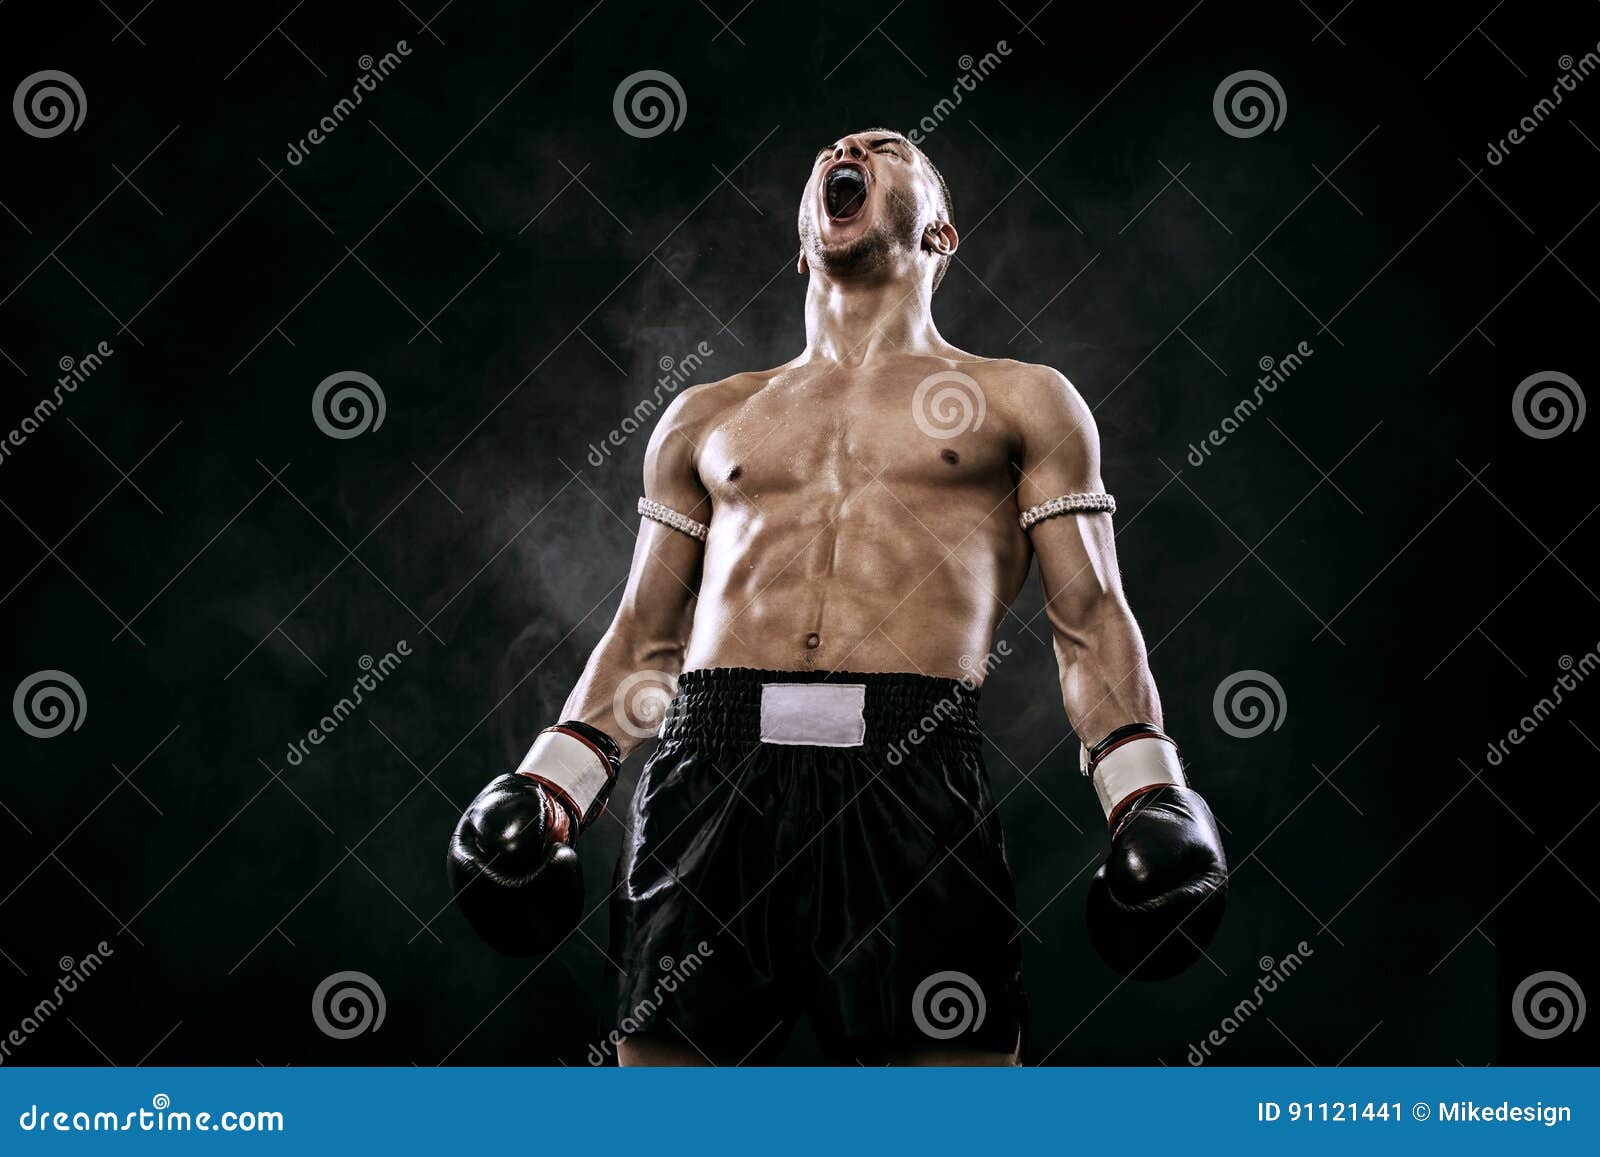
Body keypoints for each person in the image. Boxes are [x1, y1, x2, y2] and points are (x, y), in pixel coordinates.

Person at [448, 129, 1227, 1065]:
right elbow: (644, 637)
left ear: (939, 233)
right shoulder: (706, 415)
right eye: (835, 150)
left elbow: (1091, 618)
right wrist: (553, 783)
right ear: (805, 239)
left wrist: (1148, 795)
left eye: (889, 147)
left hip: (911, 775)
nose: (847, 147)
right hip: (712, 771)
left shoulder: (1023, 401)